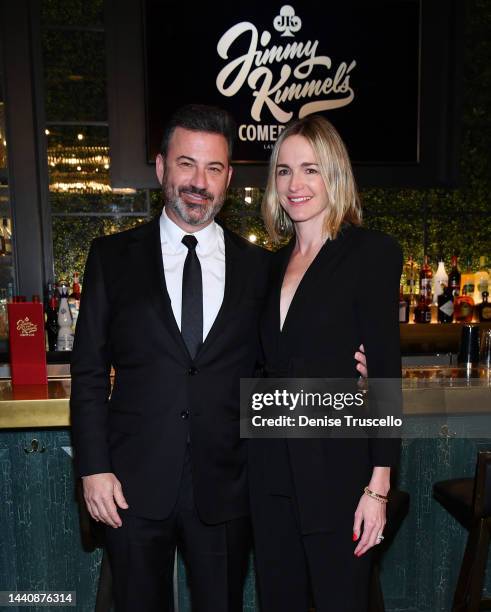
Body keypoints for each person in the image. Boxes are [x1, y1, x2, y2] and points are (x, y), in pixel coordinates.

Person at [70, 104, 369, 611]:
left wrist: (353, 375)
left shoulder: (261, 269)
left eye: (213, 169)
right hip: (131, 485)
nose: (198, 181)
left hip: (228, 486)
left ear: (228, 178)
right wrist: (93, 468)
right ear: (162, 167)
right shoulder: (110, 257)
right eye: (186, 163)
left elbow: (279, 366)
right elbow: (90, 373)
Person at [248, 114, 402, 612]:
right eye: (284, 170)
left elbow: (383, 374)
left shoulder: (371, 253)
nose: (296, 184)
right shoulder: (267, 267)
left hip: (339, 471)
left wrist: (378, 488)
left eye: (310, 169)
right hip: (271, 470)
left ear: (334, 174)